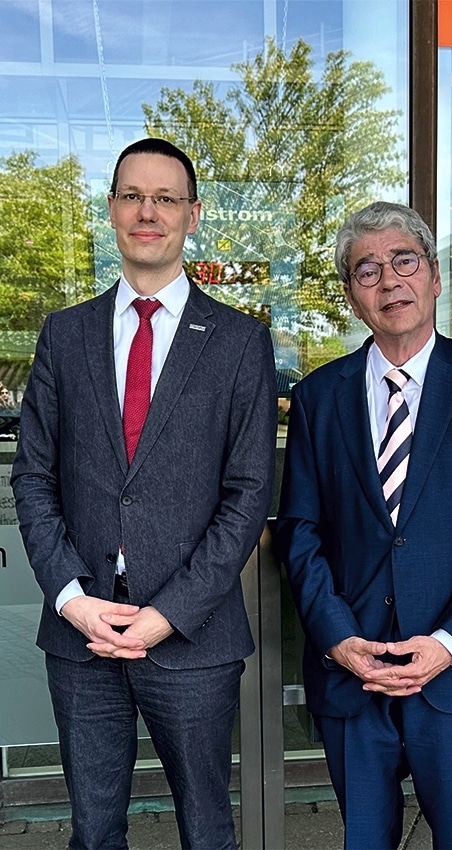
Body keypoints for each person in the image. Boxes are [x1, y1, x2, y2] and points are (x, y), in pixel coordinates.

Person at [11, 137, 277, 849]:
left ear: (193, 214)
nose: (147, 212)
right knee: (94, 832)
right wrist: (71, 598)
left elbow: (248, 493)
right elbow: (33, 476)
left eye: (165, 198)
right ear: (111, 211)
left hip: (192, 636)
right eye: (132, 196)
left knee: (206, 831)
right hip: (82, 633)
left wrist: (169, 613)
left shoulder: (239, 342)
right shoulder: (64, 335)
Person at [274, 201, 452, 849]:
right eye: (367, 270)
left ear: (436, 276)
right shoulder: (317, 397)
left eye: (404, 261)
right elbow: (300, 532)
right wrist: (339, 639)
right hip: (352, 671)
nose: (389, 281)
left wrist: (448, 643)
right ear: (351, 296)